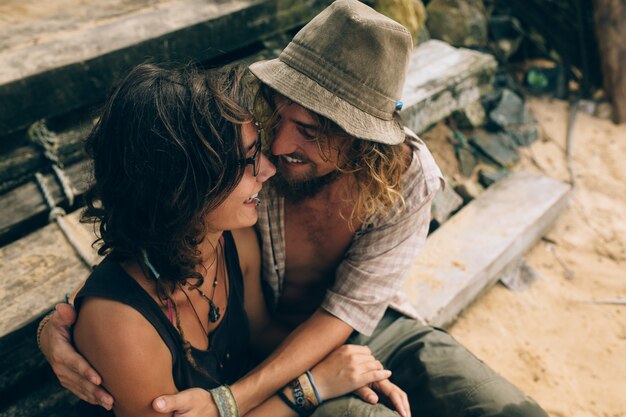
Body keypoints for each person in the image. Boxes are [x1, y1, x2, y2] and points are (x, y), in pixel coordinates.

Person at [40, 1, 549, 416]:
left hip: (358, 329)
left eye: (310, 132)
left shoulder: (407, 179)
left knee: (503, 407)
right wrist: (64, 323)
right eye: (279, 115)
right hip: (270, 361)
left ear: (362, 141)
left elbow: (343, 314)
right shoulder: (236, 141)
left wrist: (265, 393)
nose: (276, 149)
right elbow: (158, 227)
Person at [62, 61, 397, 417]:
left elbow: (262, 334)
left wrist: (343, 366)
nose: (268, 169)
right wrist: (308, 389)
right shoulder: (121, 324)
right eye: (246, 162)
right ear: (183, 186)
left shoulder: (231, 242)